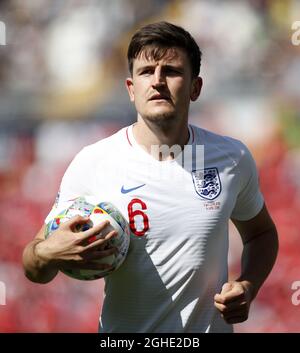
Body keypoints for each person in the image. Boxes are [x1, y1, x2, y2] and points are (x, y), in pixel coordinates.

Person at [22, 21, 278, 333]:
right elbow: (34, 266)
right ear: (131, 89)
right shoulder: (93, 161)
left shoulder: (231, 157)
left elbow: (261, 234)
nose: (157, 81)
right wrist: (49, 252)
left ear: (195, 87)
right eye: (146, 72)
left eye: (170, 70)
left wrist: (248, 286)